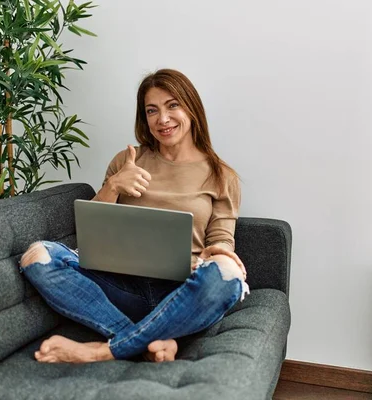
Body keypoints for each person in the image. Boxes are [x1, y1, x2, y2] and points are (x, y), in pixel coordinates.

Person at [19, 69, 248, 364]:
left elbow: (221, 240)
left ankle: (104, 350)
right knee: (37, 256)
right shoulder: (127, 160)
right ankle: (148, 340)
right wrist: (113, 186)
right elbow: (92, 233)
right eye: (152, 110)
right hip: (120, 287)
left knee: (227, 274)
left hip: (183, 290)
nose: (162, 119)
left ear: (191, 107)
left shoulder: (222, 175)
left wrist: (217, 255)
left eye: (172, 105)